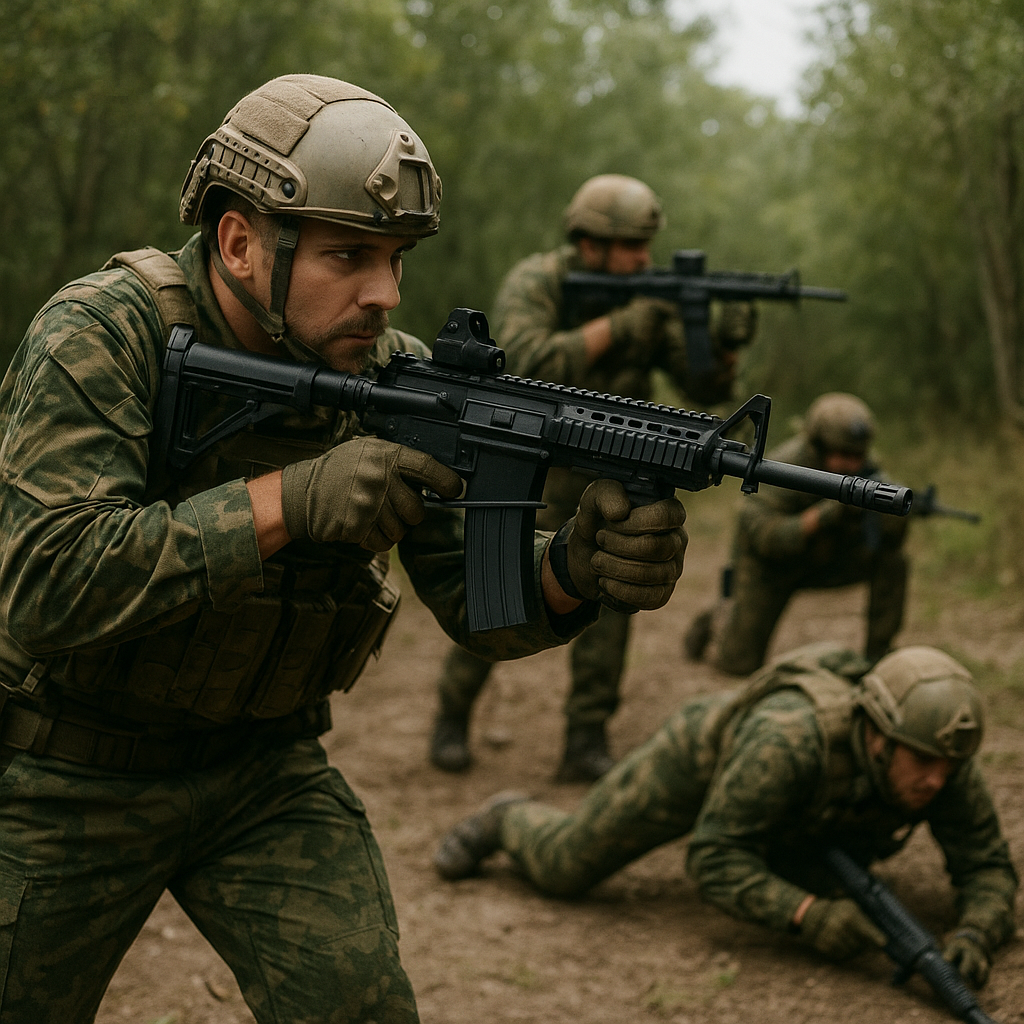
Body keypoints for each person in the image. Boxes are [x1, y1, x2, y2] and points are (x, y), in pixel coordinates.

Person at [0, 76, 689, 1024]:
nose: (384, 294)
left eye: (397, 259)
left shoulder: (393, 373)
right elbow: (49, 586)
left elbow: (480, 603)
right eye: (348, 255)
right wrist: (288, 502)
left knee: (359, 1007)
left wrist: (575, 569)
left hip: (261, 769)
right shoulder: (105, 336)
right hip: (65, 769)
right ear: (240, 243)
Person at [434, 642, 1017, 991]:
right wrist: (807, 915)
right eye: (924, 763)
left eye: (949, 767)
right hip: (703, 762)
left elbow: (988, 866)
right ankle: (507, 818)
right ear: (879, 736)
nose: (937, 780)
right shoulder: (788, 741)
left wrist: (976, 932)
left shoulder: (938, 754)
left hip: (798, 805)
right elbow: (712, 857)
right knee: (566, 866)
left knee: (812, 865)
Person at [430, 173, 756, 782]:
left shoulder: (648, 298)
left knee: (613, 591)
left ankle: (586, 735)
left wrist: (720, 343)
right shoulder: (540, 281)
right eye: (632, 246)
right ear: (589, 244)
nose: (644, 259)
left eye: (646, 246)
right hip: (530, 467)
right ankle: (452, 713)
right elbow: (524, 361)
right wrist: (623, 325)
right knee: (497, 585)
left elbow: (703, 387)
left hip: (610, 470)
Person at [684, 391, 909, 677]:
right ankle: (717, 617)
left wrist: (892, 514)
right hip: (769, 569)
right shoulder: (780, 469)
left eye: (858, 456)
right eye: (843, 455)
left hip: (820, 559)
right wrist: (828, 514)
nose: (853, 465)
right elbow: (767, 538)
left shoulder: (867, 471)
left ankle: (878, 657)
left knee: (893, 562)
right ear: (818, 446)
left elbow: (891, 538)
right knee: (737, 665)